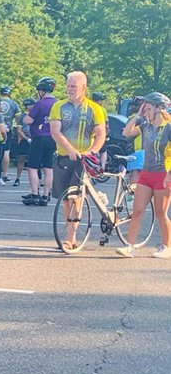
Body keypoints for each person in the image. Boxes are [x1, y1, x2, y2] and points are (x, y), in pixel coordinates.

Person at [49, 72, 106, 252]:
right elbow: (55, 132)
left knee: (76, 197)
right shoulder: (59, 106)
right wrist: (70, 149)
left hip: (83, 160)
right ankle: (69, 232)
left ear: (83, 87)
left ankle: (70, 236)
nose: (69, 89)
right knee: (65, 199)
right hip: (63, 157)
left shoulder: (94, 108)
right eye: (68, 85)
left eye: (73, 86)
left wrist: (91, 152)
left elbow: (101, 134)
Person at [117, 93, 171, 258]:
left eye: (148, 108)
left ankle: (166, 246)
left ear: (159, 108)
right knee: (138, 210)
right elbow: (127, 132)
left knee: (161, 213)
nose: (146, 112)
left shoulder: (169, 127)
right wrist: (138, 115)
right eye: (145, 109)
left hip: (163, 174)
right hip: (146, 173)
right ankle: (130, 246)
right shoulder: (145, 126)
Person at [22, 77, 57, 206]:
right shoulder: (57, 104)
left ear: (41, 90)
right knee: (48, 168)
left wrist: (25, 117)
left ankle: (35, 194)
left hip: (38, 137)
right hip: (52, 137)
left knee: (33, 167)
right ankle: (45, 195)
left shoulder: (40, 104)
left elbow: (28, 120)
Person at [0, 85, 20, 184]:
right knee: (6, 152)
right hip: (7, 129)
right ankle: (4, 174)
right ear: (9, 93)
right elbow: (18, 117)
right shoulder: (13, 103)